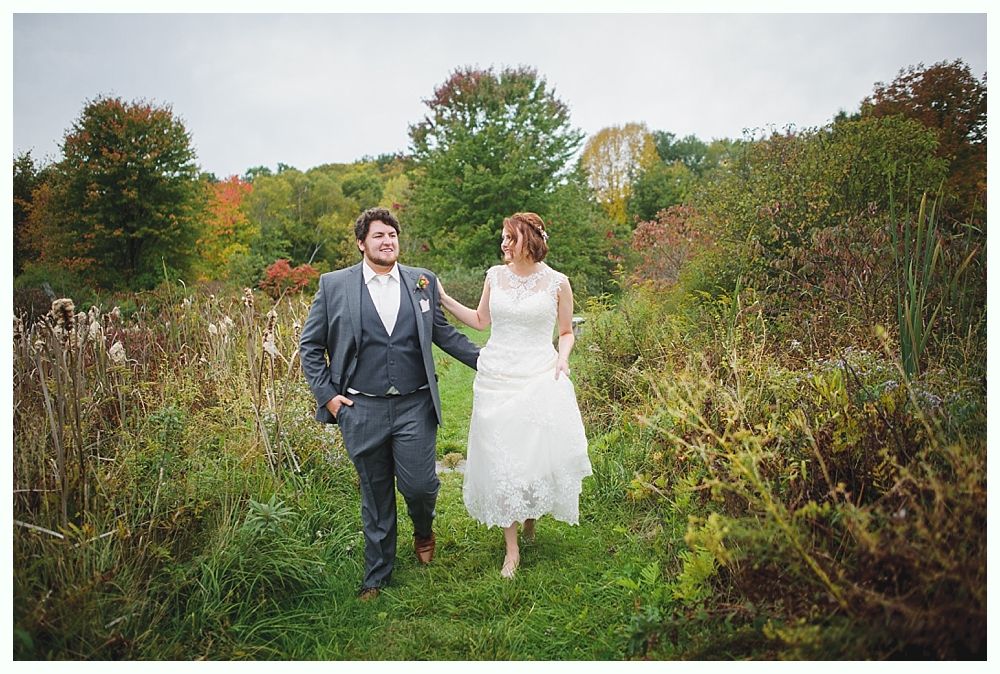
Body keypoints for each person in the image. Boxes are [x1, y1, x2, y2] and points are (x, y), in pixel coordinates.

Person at [300, 207, 480, 601]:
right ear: (362, 243)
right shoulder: (334, 286)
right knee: (375, 491)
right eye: (379, 235)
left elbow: (445, 336)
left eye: (393, 235)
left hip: (415, 404)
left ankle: (423, 528)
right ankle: (376, 575)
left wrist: (491, 362)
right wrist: (329, 397)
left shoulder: (422, 281)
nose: (387, 241)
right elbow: (310, 346)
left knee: (420, 485)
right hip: (360, 408)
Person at [438, 212, 592, 579]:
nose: (504, 244)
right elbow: (479, 320)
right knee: (502, 455)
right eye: (503, 238)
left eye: (510, 237)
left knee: (532, 452)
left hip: (539, 371)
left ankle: (531, 516)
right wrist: (443, 299)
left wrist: (563, 360)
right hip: (496, 375)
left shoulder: (558, 283)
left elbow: (567, 332)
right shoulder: (495, 275)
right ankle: (511, 550)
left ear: (530, 239)